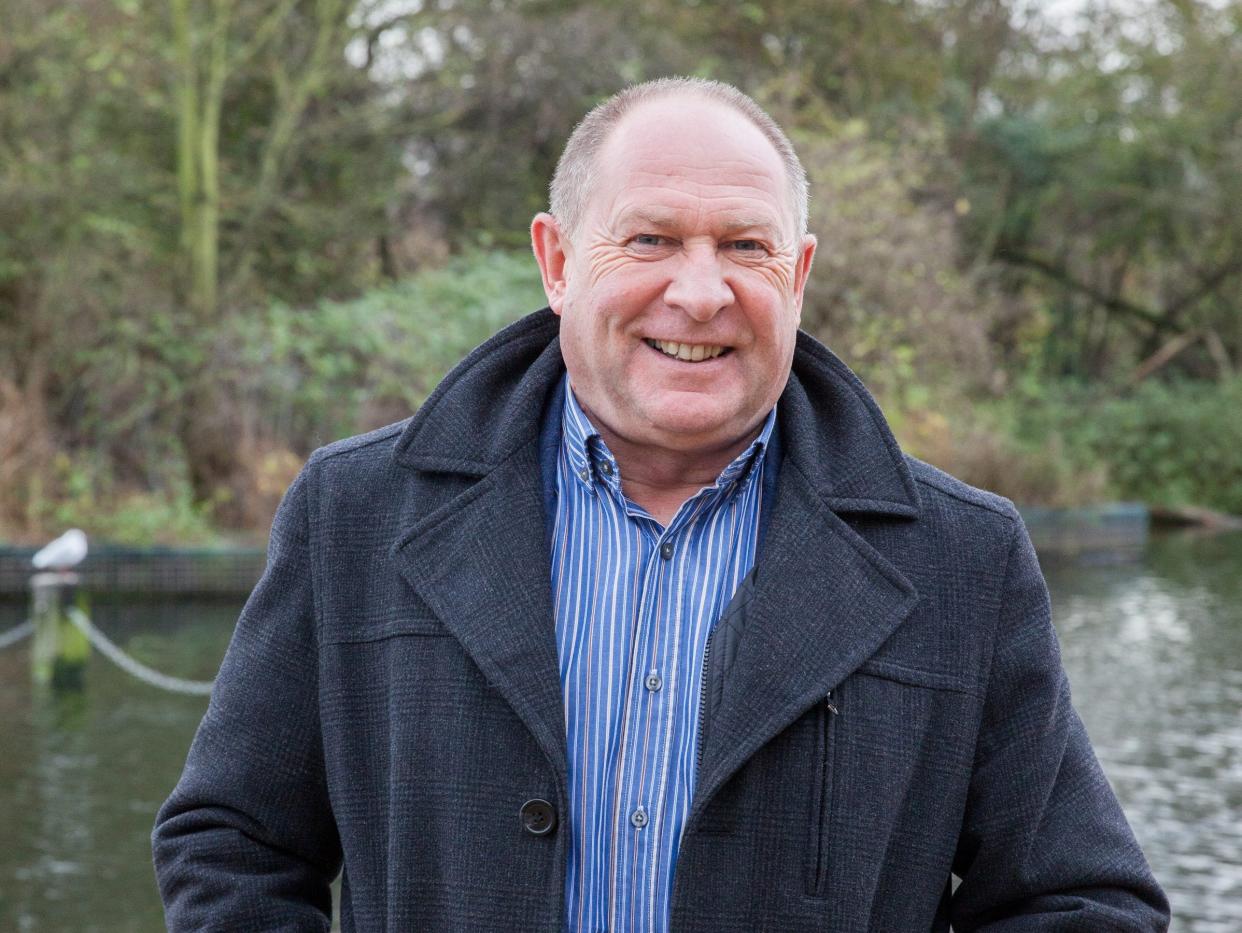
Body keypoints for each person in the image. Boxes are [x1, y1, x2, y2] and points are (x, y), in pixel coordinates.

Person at [153, 77, 1169, 932]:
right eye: (648, 239)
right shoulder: (359, 513)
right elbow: (232, 844)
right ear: (556, 262)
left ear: (800, 274)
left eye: (745, 246)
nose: (700, 291)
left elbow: (1081, 901)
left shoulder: (960, 558)